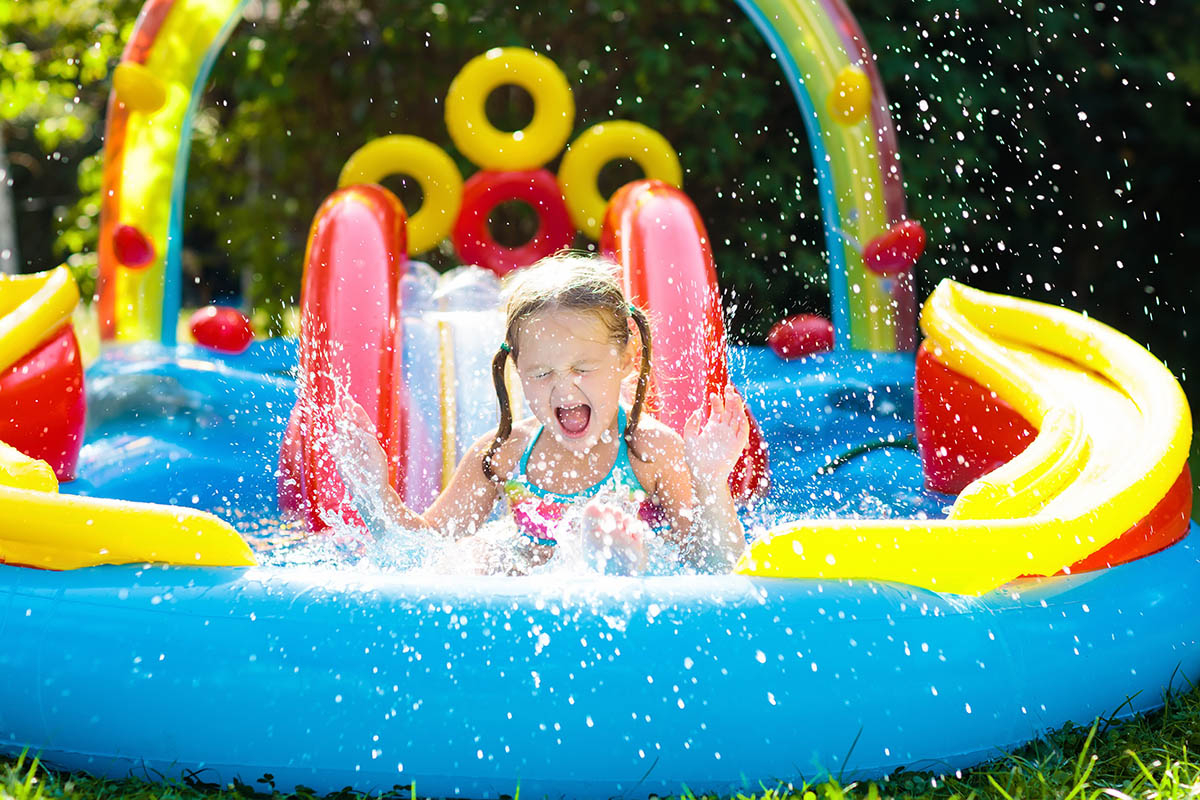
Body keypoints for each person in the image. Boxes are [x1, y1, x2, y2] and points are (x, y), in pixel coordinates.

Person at [334, 252, 750, 575]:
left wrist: (711, 480)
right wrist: (374, 493)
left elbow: (713, 564)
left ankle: (615, 558)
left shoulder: (651, 451)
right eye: (541, 373)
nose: (564, 388)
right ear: (517, 369)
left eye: (583, 369)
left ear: (627, 359)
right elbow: (420, 551)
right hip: (537, 619)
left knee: (631, 552)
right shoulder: (503, 455)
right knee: (479, 559)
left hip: (635, 614)